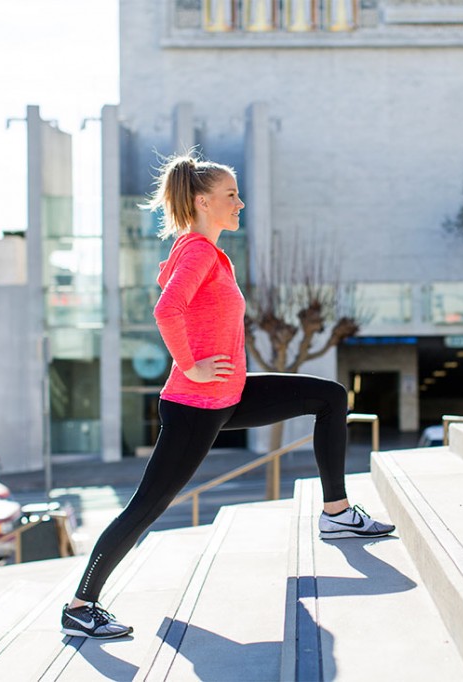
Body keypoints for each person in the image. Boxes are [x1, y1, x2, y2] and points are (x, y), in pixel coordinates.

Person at [60, 155, 394, 640]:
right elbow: (166, 309)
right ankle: (81, 604)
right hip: (195, 407)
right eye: (231, 195)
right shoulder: (196, 251)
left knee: (330, 398)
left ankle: (338, 514)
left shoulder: (207, 252)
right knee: (146, 507)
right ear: (202, 201)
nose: (240, 203)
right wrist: (191, 365)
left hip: (230, 396)